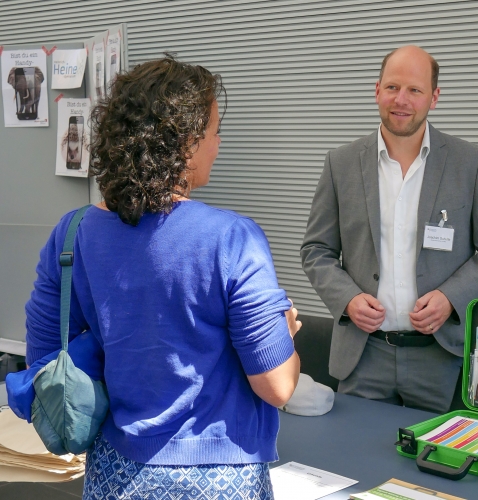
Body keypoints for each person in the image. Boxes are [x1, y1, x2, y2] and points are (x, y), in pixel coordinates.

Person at [24, 55, 300, 500]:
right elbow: (278, 386)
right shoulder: (232, 238)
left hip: (114, 476)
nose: (219, 144)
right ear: (186, 143)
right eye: (214, 132)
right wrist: (283, 334)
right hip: (218, 479)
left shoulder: (71, 234)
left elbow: (44, 359)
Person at [300, 45, 478, 414]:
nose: (401, 100)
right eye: (392, 87)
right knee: (357, 449)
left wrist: (450, 298)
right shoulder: (341, 163)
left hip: (440, 358)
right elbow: (316, 250)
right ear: (377, 91)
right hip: (364, 354)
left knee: (434, 451)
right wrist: (348, 299)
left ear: (434, 97)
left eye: (415, 90)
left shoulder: (470, 163)